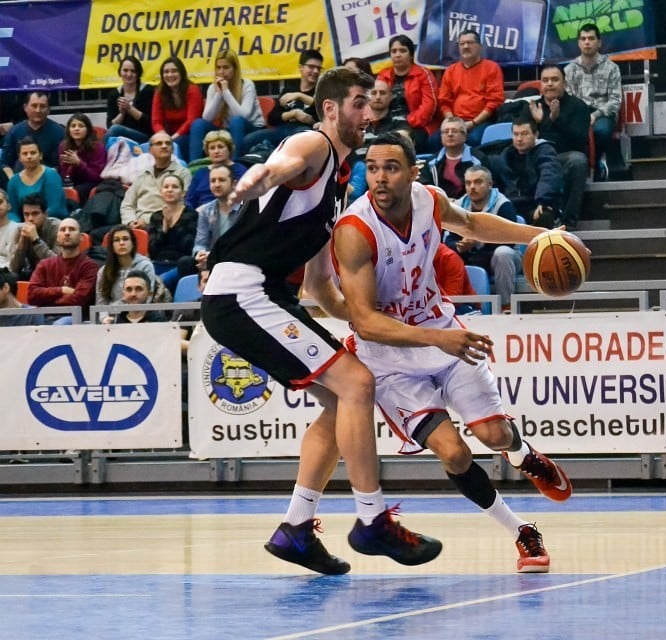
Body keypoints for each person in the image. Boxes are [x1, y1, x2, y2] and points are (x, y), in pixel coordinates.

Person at [201, 67, 441, 573]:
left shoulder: (337, 185)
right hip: (242, 291)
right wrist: (257, 178)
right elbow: (284, 163)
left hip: (270, 296)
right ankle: (372, 519)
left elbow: (318, 287)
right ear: (330, 108)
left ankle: (295, 529)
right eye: (358, 102)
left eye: (371, 103)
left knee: (342, 400)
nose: (369, 113)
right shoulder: (314, 144)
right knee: (357, 383)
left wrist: (366, 322)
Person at [335, 132, 572, 572]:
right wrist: (438, 339)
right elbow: (365, 322)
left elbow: (474, 224)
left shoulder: (430, 200)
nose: (380, 178)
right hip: (390, 360)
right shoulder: (355, 231)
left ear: (413, 172)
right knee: (455, 453)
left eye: (390, 167)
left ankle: (523, 456)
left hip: (442, 335)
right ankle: (522, 531)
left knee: (494, 437)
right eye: (372, 168)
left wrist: (542, 237)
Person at [451, 165, 521, 310]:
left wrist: (478, 241)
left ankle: (506, 308)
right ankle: (454, 308)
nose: (472, 187)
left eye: (478, 182)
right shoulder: (457, 207)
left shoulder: (503, 205)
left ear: (490, 184)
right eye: (468, 183)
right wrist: (459, 246)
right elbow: (448, 240)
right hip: (471, 256)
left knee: (503, 253)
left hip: (503, 258)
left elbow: (511, 239)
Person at [530, 64, 590, 229]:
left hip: (564, 157)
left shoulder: (578, 106)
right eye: (545, 80)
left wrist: (557, 120)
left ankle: (567, 222)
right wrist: (539, 123)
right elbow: (521, 137)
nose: (550, 84)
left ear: (564, 83)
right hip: (537, 158)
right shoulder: (533, 107)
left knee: (578, 161)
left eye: (555, 80)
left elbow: (580, 141)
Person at [563, 23, 623, 180]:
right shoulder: (569, 70)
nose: (587, 42)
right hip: (578, 114)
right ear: (578, 43)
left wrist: (595, 115)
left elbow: (615, 101)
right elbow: (568, 99)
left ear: (599, 42)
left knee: (600, 132)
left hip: (603, 114)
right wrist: (581, 116)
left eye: (591, 38)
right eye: (583, 39)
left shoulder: (612, 68)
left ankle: (596, 164)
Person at [242, 50, 322, 155]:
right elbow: (272, 118)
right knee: (248, 140)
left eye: (318, 68)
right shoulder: (289, 89)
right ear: (301, 68)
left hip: (303, 132)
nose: (315, 71)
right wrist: (293, 114)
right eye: (311, 67)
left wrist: (300, 96)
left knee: (298, 136)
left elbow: (321, 113)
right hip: (282, 129)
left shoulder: (321, 91)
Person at [189, 50, 264, 162]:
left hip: (252, 128)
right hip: (228, 129)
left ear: (235, 69)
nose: (221, 72)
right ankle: (193, 167)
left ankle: (234, 165)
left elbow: (244, 116)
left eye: (226, 67)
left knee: (236, 121)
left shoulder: (247, 85)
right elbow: (207, 118)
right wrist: (219, 94)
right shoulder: (212, 88)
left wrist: (226, 92)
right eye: (218, 68)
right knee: (198, 124)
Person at [435, 29, 504, 148]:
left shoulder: (491, 68)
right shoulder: (451, 70)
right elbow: (444, 101)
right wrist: (453, 122)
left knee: (473, 140)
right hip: (455, 121)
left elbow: (494, 102)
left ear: (479, 46)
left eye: (470, 42)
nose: (466, 46)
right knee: (433, 141)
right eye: (462, 44)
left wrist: (472, 123)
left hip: (481, 121)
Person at [492, 118, 564, 228]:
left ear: (536, 135)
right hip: (511, 205)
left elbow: (549, 175)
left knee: (544, 216)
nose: (519, 139)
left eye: (525, 134)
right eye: (516, 134)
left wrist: (542, 201)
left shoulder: (545, 151)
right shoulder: (504, 157)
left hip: (535, 204)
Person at [27, 217, 99, 319]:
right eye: (63, 229)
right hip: (44, 321)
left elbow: (78, 300)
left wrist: (45, 303)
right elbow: (32, 295)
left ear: (81, 237)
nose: (67, 233)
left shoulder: (89, 266)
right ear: (57, 237)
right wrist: (62, 290)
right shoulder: (44, 264)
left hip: (75, 322)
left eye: (72, 229)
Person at [377, 35, 438, 151]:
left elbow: (430, 106)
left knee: (400, 144)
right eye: (394, 51)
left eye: (403, 51)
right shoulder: (383, 76)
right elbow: (375, 102)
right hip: (387, 123)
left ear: (411, 55)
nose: (398, 55)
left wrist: (408, 123)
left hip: (417, 125)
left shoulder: (424, 74)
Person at [180, 164, 240, 281]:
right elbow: (200, 243)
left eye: (222, 180)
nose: (217, 184)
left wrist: (214, 256)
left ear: (234, 183)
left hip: (238, 257)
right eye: (213, 181)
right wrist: (200, 254)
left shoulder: (246, 208)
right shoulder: (205, 211)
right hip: (213, 259)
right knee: (185, 263)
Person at [120, 131, 192, 229]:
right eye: (159, 143)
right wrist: (131, 222)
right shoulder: (143, 174)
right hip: (136, 225)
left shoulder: (183, 173)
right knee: (99, 234)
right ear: (150, 150)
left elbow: (182, 205)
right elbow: (127, 204)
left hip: (164, 225)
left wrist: (148, 223)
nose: (164, 146)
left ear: (172, 149)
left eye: (168, 143)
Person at [147, 173, 198, 291]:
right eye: (166, 187)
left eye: (174, 187)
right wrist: (164, 227)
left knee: (159, 282)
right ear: (161, 192)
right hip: (157, 264)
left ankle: (159, 286)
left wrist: (173, 227)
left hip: (179, 265)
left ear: (183, 193)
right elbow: (152, 250)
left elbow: (188, 247)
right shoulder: (156, 217)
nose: (170, 190)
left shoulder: (191, 215)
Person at [1, 91, 64, 181]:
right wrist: (13, 180)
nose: (38, 110)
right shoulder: (14, 132)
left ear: (48, 109)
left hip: (48, 180)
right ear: (25, 108)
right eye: (34, 106)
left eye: (42, 106)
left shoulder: (59, 132)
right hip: (19, 180)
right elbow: (5, 162)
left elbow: (60, 165)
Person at [419, 116, 486, 199]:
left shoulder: (479, 159)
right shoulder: (431, 163)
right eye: (445, 132)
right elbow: (426, 192)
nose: (450, 134)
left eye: (454, 131)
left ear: (465, 136)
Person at [152, 56, 203, 161]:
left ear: (181, 73)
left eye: (174, 71)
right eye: (166, 72)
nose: (170, 75)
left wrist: (171, 139)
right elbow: (156, 121)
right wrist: (163, 138)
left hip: (191, 136)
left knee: (175, 145)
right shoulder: (160, 92)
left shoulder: (193, 90)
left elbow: (191, 121)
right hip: (169, 136)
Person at [6, 137, 67, 221]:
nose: (29, 156)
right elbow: (12, 212)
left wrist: (34, 221)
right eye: (25, 153)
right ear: (19, 158)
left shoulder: (51, 175)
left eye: (33, 153)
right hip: (24, 225)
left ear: (40, 156)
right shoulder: (13, 182)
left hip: (51, 223)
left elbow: (55, 208)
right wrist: (17, 226)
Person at [95, 224, 157, 307]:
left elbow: (146, 300)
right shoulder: (103, 271)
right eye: (116, 240)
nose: (121, 243)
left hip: (137, 315)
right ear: (111, 245)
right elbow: (100, 303)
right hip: (109, 317)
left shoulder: (145, 266)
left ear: (133, 243)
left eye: (125, 239)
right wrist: (105, 318)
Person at [184, 130, 247, 209]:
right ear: (207, 152)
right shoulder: (200, 173)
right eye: (212, 148)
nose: (216, 151)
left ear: (229, 149)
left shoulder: (240, 170)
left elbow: (244, 200)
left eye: (220, 147)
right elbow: (189, 201)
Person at [104, 56, 155, 144]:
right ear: (120, 72)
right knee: (113, 131)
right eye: (125, 70)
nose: (129, 74)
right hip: (120, 136)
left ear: (138, 73)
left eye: (133, 71)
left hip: (144, 136)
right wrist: (122, 114)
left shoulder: (147, 91)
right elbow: (110, 126)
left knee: (115, 130)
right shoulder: (114, 94)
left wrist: (130, 109)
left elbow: (150, 123)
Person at [58, 113, 106, 204]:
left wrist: (79, 163)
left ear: (87, 129)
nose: (76, 129)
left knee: (78, 191)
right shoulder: (63, 146)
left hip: (92, 183)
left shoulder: (97, 147)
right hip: (71, 182)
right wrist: (68, 166)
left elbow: (97, 177)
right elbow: (64, 176)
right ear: (68, 130)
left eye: (81, 126)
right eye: (73, 126)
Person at [9, 193, 58, 281]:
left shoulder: (57, 227)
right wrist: (22, 243)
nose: (30, 218)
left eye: (35, 213)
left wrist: (36, 239)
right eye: (26, 214)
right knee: (10, 277)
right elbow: (15, 268)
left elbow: (57, 264)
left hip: (55, 274)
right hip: (34, 273)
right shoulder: (21, 229)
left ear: (45, 214)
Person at [101, 270, 167, 324]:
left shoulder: (159, 321)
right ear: (123, 294)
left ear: (149, 294)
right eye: (129, 289)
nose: (133, 294)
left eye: (139, 289)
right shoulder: (116, 322)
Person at [0, 188, 19, 270]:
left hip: (7, 273)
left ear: (9, 206)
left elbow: (14, 264)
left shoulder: (18, 228)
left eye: (0, 202)